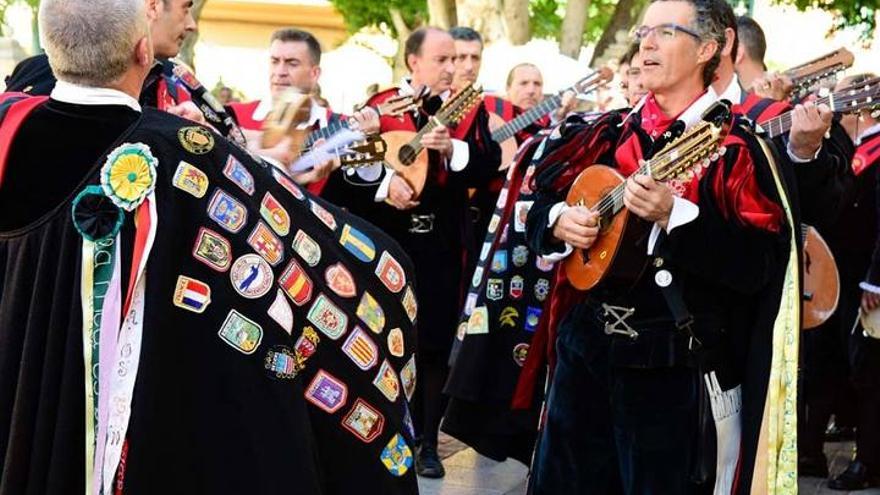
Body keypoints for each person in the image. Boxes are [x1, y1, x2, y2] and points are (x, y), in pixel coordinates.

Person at [0, 0, 419, 493]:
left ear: (50, 50)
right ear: (141, 50)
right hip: (142, 405)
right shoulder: (180, 147)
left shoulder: (10, 126)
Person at [524, 0, 799, 492]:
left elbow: (761, 268)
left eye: (665, 32)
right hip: (584, 352)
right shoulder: (604, 134)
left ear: (708, 49)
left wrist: (677, 218)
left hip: (673, 363)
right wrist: (561, 220)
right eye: (644, 31)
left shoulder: (734, 148)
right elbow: (537, 204)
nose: (645, 43)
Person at [323, 27, 501, 479]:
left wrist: (453, 149)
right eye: (442, 60)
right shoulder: (381, 106)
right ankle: (376, 430)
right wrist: (386, 185)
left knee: (435, 344)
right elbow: (348, 172)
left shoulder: (466, 111)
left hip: (440, 244)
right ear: (413, 62)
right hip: (387, 241)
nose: (452, 69)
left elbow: (487, 162)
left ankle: (427, 441)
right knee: (379, 334)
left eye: (457, 60)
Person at [3, 0, 245, 144]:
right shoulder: (36, 76)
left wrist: (200, 135)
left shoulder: (180, 81)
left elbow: (236, 143)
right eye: (185, 8)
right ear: (154, 7)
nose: (191, 24)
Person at [229, 28, 380, 187]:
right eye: (274, 61)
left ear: (314, 74)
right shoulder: (233, 115)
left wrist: (369, 138)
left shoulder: (340, 125)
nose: (280, 72)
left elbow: (370, 184)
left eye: (292, 63)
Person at [823, 73, 880, 491]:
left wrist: (874, 282)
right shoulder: (864, 146)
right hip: (853, 270)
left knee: (871, 372)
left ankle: (869, 460)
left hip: (871, 276)